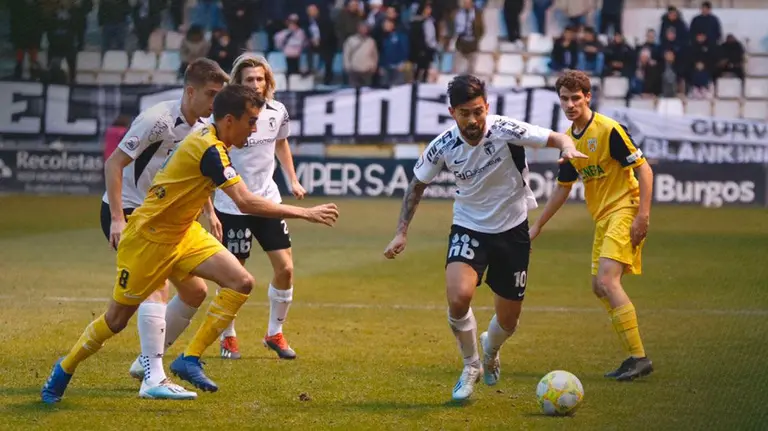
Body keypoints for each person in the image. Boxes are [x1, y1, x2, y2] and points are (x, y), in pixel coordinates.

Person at [41, 84, 340, 404]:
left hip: (183, 232)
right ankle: (65, 368)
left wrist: (209, 214)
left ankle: (189, 359)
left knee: (240, 281)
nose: (254, 128)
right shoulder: (209, 148)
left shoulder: (211, 142)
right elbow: (246, 202)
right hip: (149, 238)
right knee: (116, 320)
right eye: (251, 121)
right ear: (229, 120)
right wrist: (305, 213)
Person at [383, 75, 587, 401]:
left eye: (478, 111)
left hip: (513, 229)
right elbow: (416, 184)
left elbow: (554, 138)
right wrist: (401, 232)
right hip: (469, 226)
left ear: (487, 107)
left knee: (508, 320)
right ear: (452, 112)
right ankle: (471, 365)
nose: (474, 120)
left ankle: (490, 351)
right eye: (465, 113)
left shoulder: (505, 129)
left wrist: (568, 146)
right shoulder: (443, 145)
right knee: (458, 296)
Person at [100, 58, 228, 400]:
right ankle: (153, 376)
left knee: (194, 293)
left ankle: (145, 362)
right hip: (130, 211)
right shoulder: (157, 119)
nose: (216, 103)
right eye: (212, 94)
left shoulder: (201, 130)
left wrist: (208, 210)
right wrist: (116, 217)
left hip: (164, 218)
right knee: (157, 286)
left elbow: (191, 176)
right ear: (190, 91)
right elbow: (114, 162)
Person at [529, 70, 654, 382]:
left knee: (609, 282)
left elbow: (645, 171)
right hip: (603, 218)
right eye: (564, 99)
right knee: (599, 287)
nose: (570, 104)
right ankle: (633, 356)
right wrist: (538, 225)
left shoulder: (609, 129)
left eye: (575, 98)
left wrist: (643, 216)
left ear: (587, 97)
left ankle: (639, 358)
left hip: (625, 209)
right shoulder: (568, 140)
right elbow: (562, 188)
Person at [214, 54, 306, 361]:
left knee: (286, 269)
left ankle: (274, 333)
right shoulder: (227, 116)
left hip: (267, 200)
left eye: (260, 79)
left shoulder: (277, 111)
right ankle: (228, 337)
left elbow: (281, 144)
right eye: (249, 79)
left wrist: (292, 179)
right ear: (237, 83)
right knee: (233, 275)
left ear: (268, 81)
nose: (256, 84)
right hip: (231, 203)